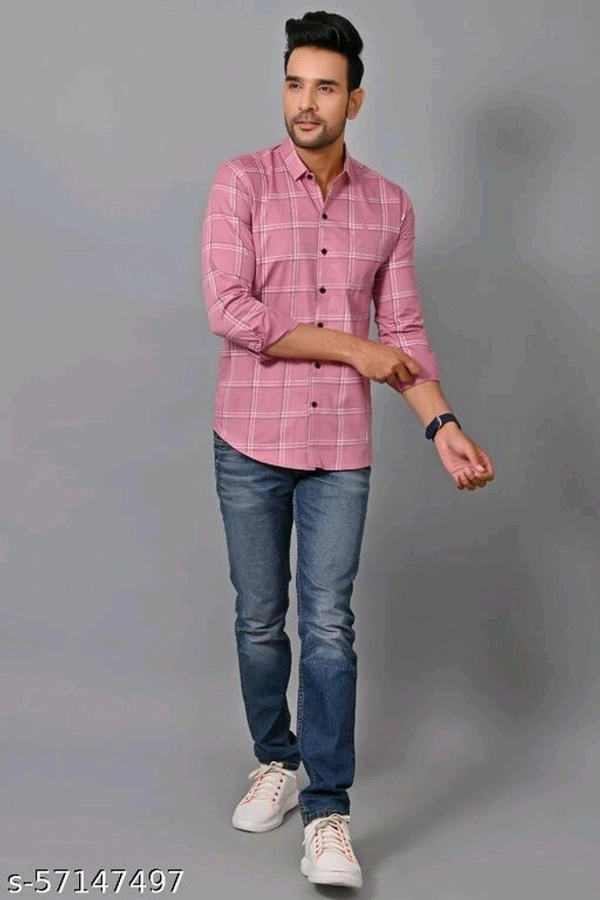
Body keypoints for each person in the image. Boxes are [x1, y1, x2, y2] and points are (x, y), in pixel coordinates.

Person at [201, 10, 495, 889]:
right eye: (295, 83)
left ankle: (328, 812)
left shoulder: (390, 206)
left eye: (325, 88)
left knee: (329, 623)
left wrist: (442, 426)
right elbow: (231, 310)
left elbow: (402, 334)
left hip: (339, 447)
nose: (306, 102)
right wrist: (351, 347)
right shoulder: (241, 183)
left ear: (354, 101)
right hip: (249, 437)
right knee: (261, 618)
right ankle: (276, 759)